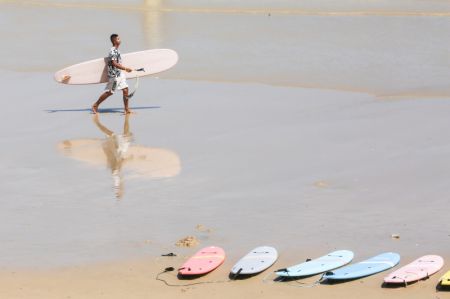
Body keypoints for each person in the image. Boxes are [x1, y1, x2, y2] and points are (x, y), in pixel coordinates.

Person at [92, 34, 133, 114]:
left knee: (125, 89)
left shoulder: (117, 50)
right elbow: (114, 63)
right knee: (110, 92)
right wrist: (125, 68)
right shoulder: (113, 51)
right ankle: (95, 105)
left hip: (120, 74)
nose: (120, 40)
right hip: (115, 76)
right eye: (118, 39)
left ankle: (126, 109)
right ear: (114, 41)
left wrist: (123, 69)